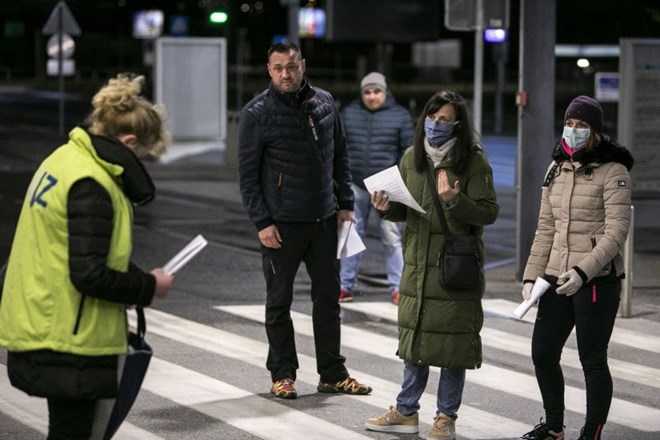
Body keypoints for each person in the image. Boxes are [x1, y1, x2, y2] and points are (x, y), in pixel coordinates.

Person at [0, 73, 175, 440]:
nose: (142, 162)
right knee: (73, 433)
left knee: (67, 429)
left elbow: (75, 246)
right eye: (143, 154)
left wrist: (139, 275)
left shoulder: (64, 160)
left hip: (46, 321)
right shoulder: (92, 183)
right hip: (69, 336)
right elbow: (89, 273)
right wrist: (149, 286)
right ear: (128, 142)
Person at [237, 41, 372, 400]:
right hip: (281, 225)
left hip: (324, 220)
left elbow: (340, 155)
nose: (286, 74)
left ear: (303, 65)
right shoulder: (257, 112)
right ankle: (282, 373)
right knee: (278, 301)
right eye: (279, 67)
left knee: (328, 299)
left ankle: (332, 372)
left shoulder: (325, 104)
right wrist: (261, 222)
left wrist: (345, 203)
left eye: (292, 67)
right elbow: (248, 176)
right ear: (269, 70)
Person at [364, 90, 499, 440]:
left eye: (444, 119)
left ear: (458, 125)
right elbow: (406, 208)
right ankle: (406, 411)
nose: (436, 125)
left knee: (453, 345)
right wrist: (384, 206)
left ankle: (445, 417)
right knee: (416, 341)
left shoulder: (473, 161)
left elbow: (488, 212)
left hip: (454, 264)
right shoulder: (413, 157)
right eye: (432, 117)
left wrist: (456, 201)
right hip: (417, 263)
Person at [520, 96, 633, 440]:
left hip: (596, 279)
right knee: (542, 353)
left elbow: (616, 233)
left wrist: (583, 271)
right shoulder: (556, 168)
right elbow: (545, 229)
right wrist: (530, 275)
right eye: (569, 123)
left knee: (592, 359)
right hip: (555, 277)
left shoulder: (614, 171)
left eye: (582, 125)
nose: (573, 130)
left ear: (596, 131)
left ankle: (592, 430)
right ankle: (554, 426)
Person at [338, 71, 414, 304]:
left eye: (376, 91)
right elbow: (339, 149)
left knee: (391, 237)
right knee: (350, 234)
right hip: (356, 184)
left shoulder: (400, 116)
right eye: (367, 92)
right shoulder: (349, 114)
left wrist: (400, 179)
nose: (372, 96)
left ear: (385, 92)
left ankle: (398, 287)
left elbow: (409, 151)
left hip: (386, 187)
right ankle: (344, 286)